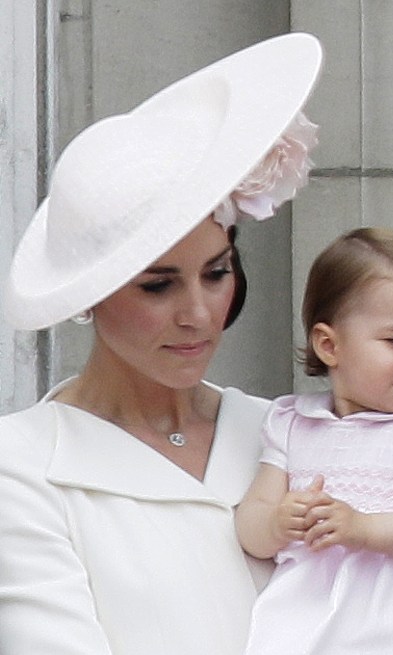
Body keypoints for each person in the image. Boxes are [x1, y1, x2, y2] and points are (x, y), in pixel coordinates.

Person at [0, 33, 322, 654]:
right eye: (157, 286)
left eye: (217, 272)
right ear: (86, 293)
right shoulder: (22, 466)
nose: (198, 315)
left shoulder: (286, 431)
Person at [235, 227, 393, 654]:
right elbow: (251, 524)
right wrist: (277, 523)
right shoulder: (292, 423)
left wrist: (364, 528)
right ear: (329, 345)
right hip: (313, 628)